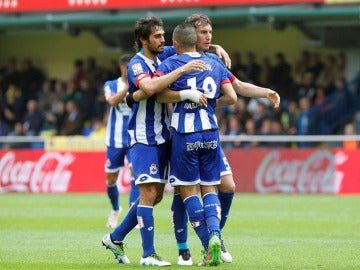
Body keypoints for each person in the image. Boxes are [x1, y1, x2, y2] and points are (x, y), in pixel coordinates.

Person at [167, 13, 281, 264]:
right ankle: (188, 247)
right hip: (184, 132)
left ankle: (215, 238)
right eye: (204, 32)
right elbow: (168, 46)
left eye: (211, 33)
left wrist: (265, 92)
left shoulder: (211, 59)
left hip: (201, 132)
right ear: (190, 34)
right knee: (185, 192)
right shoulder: (171, 54)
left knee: (226, 186)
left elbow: (237, 87)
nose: (209, 37)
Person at [101, 16, 206, 267]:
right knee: (148, 192)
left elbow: (190, 45)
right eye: (157, 36)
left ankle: (115, 238)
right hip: (142, 137)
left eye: (163, 35)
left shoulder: (164, 54)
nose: (164, 40)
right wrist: (181, 70)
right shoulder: (136, 64)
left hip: (164, 136)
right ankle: (148, 254)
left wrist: (215, 47)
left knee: (156, 195)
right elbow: (148, 88)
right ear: (143, 40)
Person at [155, 22, 237, 266]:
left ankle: (205, 245)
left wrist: (183, 95)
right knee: (210, 188)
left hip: (184, 135)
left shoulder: (171, 64)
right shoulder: (214, 63)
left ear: (176, 43)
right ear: (197, 39)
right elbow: (231, 96)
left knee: (188, 192)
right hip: (211, 134)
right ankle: (215, 236)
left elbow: (158, 94)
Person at [102, 53, 140, 228]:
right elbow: (113, 101)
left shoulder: (140, 84)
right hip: (115, 139)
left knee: (135, 174)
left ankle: (134, 212)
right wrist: (127, 87)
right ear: (122, 68)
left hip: (134, 137)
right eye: (127, 69)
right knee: (111, 179)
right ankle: (116, 209)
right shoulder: (110, 85)